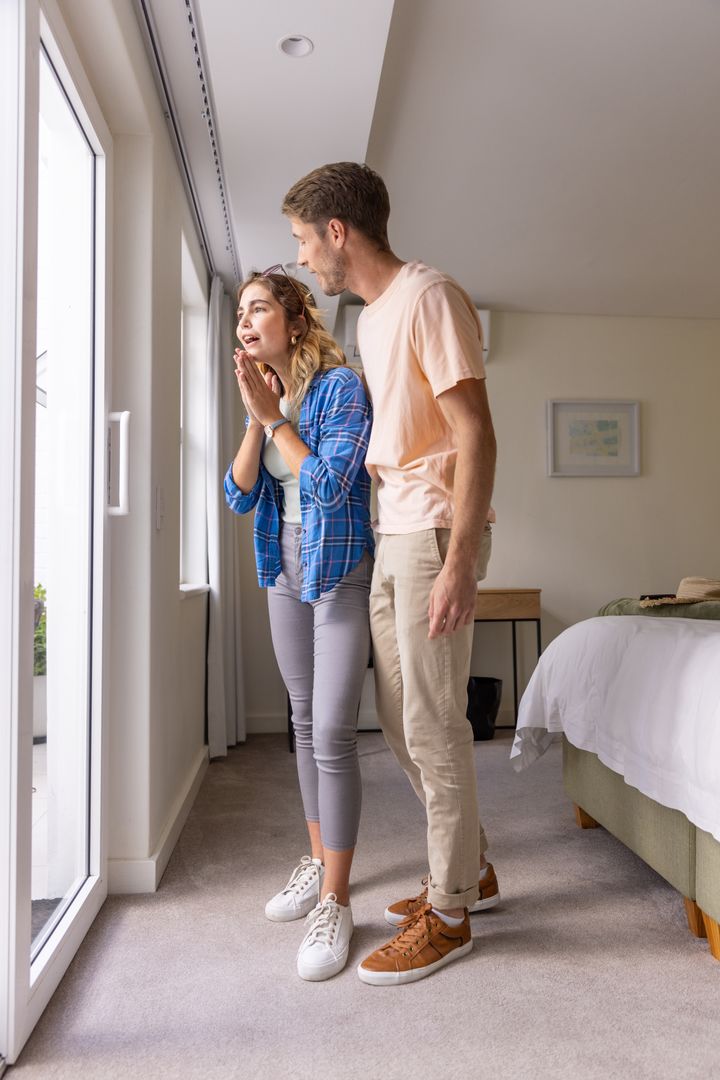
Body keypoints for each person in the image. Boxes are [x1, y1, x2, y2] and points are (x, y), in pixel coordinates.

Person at [282, 162, 499, 986]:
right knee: (400, 716)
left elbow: (474, 433)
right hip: (392, 525)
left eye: (305, 241)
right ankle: (470, 868)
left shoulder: (429, 296)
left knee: (437, 721)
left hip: (435, 532)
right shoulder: (373, 320)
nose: (303, 258)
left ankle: (451, 912)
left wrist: (463, 560)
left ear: (338, 232)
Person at [224, 268, 374, 982]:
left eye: (258, 308)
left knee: (337, 733)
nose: (246, 321)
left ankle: (338, 902)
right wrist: (257, 418)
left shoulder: (341, 388)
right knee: (305, 721)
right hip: (281, 572)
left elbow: (331, 484)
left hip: (338, 569)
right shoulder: (266, 396)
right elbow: (238, 495)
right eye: (240, 313)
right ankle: (318, 864)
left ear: (294, 319)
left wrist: (278, 419)